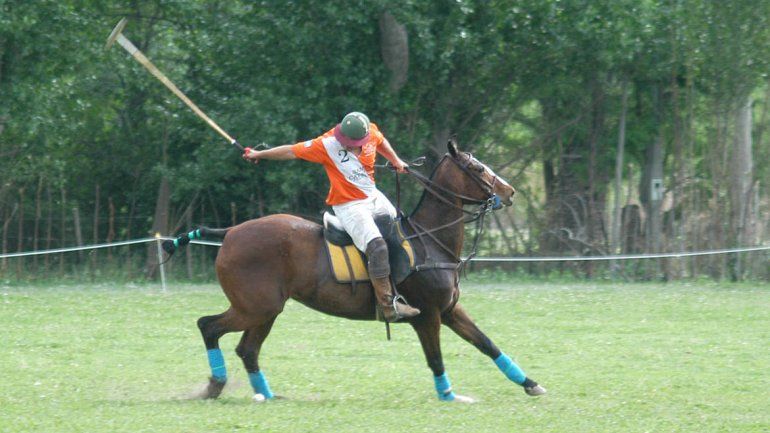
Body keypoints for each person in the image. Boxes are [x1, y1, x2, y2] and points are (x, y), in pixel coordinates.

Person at [242, 112, 420, 322]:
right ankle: (387, 306)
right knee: (377, 246)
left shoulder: (370, 130)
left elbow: (381, 142)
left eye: (355, 143)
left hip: (372, 196)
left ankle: (407, 288)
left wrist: (397, 161)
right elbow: (291, 151)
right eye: (347, 142)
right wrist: (258, 154)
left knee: (401, 227)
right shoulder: (326, 144)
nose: (350, 146)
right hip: (349, 205)